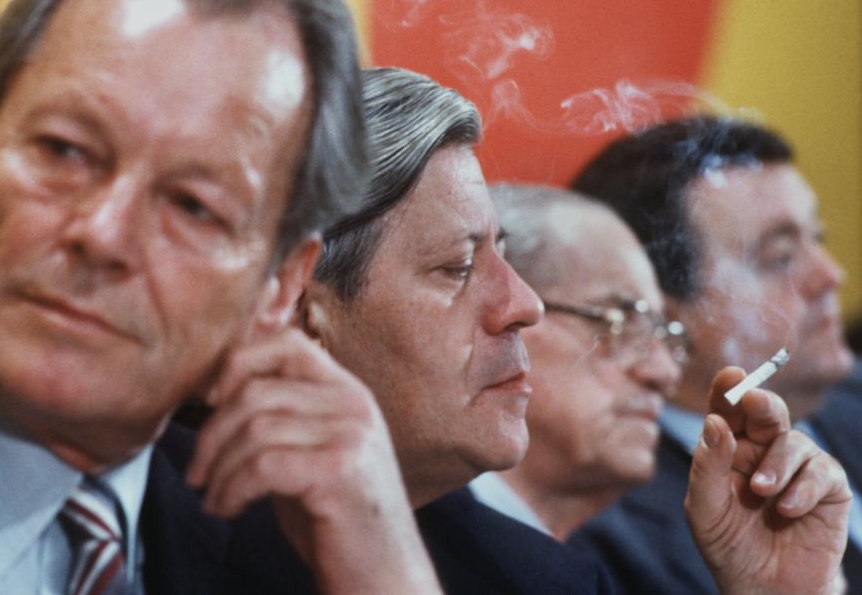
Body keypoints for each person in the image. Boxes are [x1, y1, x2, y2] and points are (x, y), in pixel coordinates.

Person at [0, 0, 440, 593]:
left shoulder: (304, 555)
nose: (103, 234)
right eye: (64, 150)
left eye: (193, 206)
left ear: (278, 286)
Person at [219, 68, 852, 594]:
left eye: (503, 256)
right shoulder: (170, 539)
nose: (524, 304)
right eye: (458, 267)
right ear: (301, 312)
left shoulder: (543, 576)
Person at [570, 115, 862, 593]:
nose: (830, 275)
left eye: (819, 238)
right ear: (659, 313)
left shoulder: (855, 402)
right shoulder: (613, 539)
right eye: (780, 257)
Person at [469, 185, 684, 541]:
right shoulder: (395, 540)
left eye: (660, 333)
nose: (664, 372)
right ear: (508, 319)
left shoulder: (630, 558)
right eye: (619, 321)